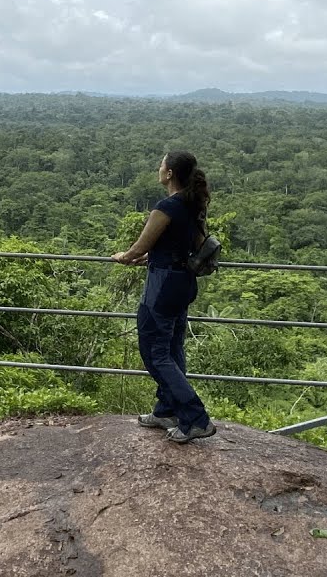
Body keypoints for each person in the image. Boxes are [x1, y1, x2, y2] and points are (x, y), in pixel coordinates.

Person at [112, 151, 216, 443]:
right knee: (172, 348)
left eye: (161, 165)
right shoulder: (192, 204)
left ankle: (196, 418)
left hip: (162, 287)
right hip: (183, 284)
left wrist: (125, 256)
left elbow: (138, 246)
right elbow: (187, 244)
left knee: (154, 352)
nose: (158, 168)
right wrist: (152, 256)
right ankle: (166, 410)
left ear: (169, 173)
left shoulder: (167, 206)